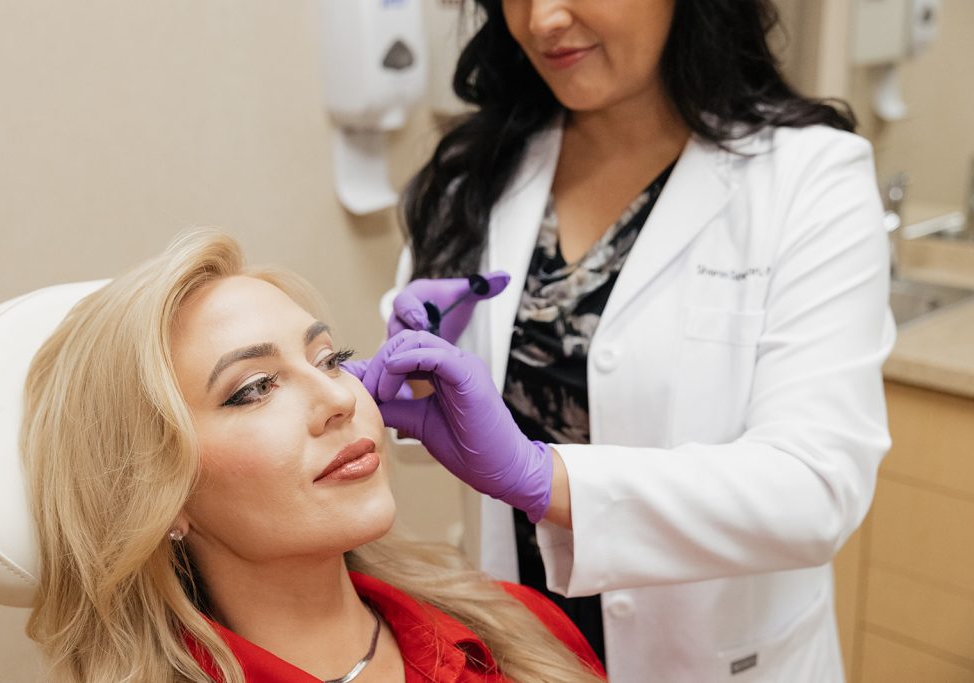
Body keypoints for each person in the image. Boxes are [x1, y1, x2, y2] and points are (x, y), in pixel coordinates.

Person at [353, 0, 895, 680]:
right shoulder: (478, 170)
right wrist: (409, 375)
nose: (542, 19)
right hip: (527, 650)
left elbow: (817, 485)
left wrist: (543, 477)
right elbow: (436, 420)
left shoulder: (811, 177)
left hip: (712, 656)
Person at [20, 229, 605, 683]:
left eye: (329, 358)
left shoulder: (517, 627)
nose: (337, 398)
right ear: (161, 496)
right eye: (253, 389)